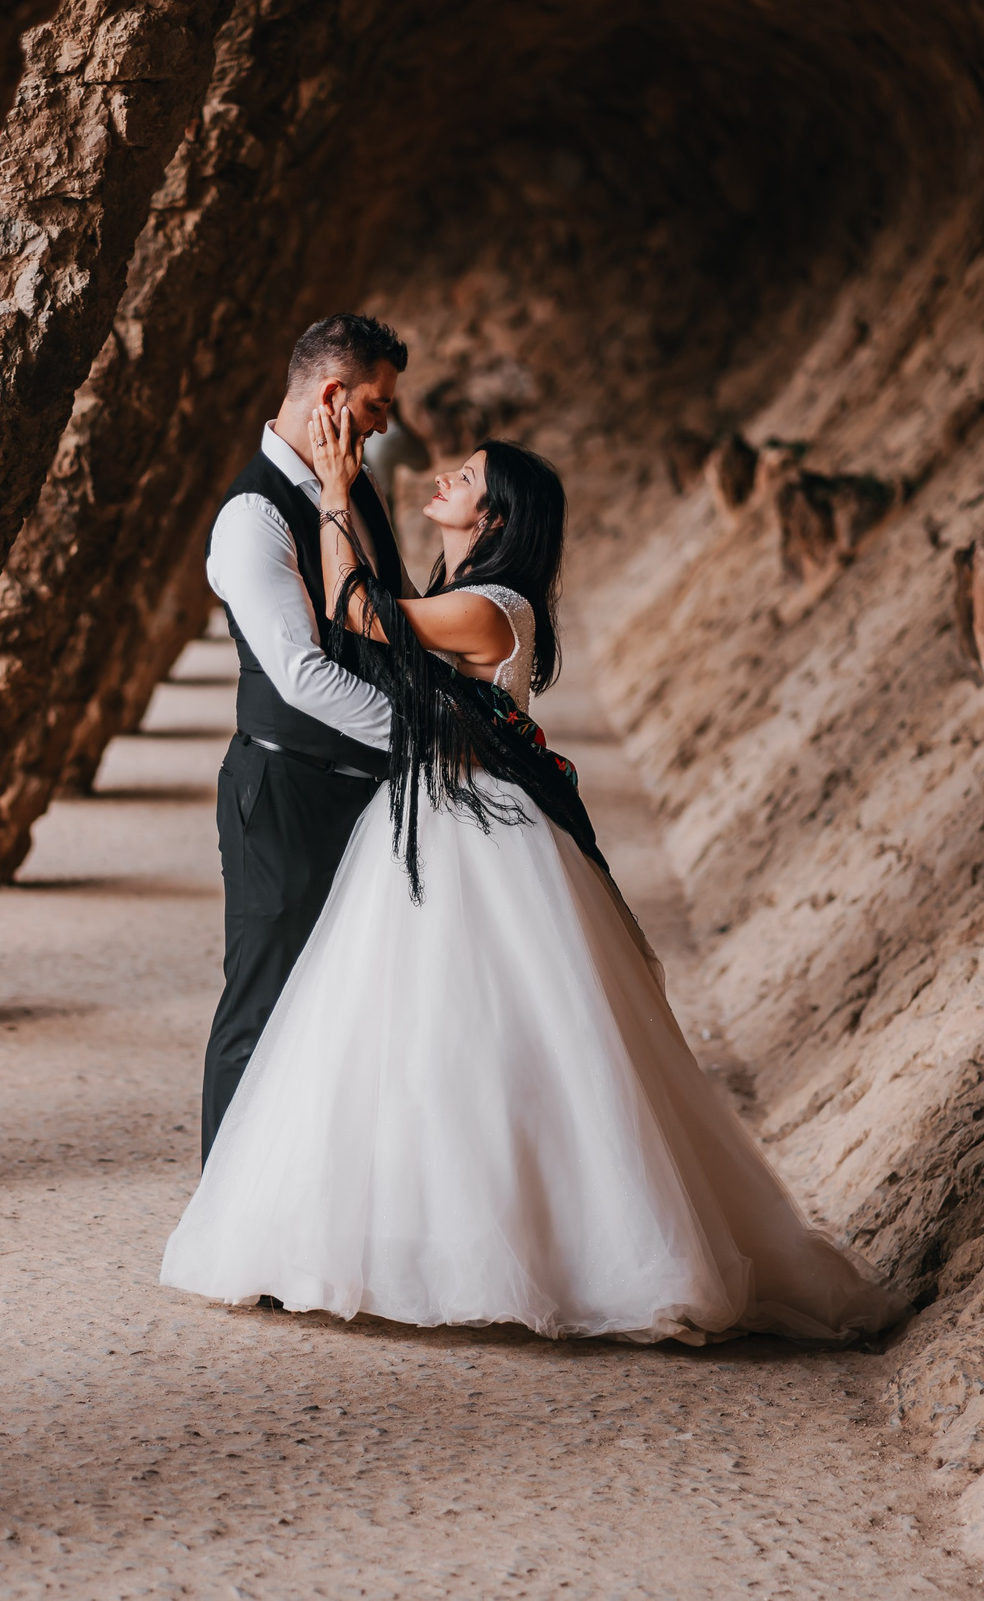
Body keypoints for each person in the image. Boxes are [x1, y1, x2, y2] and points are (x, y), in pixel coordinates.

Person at [161, 403, 903, 1344]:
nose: (444, 478)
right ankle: (424, 1241)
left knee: (490, 1042)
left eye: (465, 478)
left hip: (479, 834)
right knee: (415, 1042)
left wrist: (341, 491)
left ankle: (555, 1253)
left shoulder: (489, 608)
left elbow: (357, 613)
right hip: (431, 821)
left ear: (496, 517)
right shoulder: (463, 591)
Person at [197, 315, 408, 1161]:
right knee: (261, 1010)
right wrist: (426, 739)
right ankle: (225, 1213)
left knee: (341, 1011)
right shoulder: (253, 515)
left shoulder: (351, 488)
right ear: (330, 395)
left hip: (362, 793)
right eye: (376, 404)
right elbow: (300, 675)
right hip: (283, 797)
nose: (384, 423)